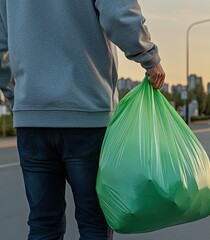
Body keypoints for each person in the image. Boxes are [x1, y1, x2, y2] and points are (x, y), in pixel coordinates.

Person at [0, 0, 165, 239]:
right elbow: (118, 12)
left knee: (43, 223)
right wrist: (149, 58)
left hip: (32, 117)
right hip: (87, 115)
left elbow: (1, 42)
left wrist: (16, 96)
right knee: (94, 222)